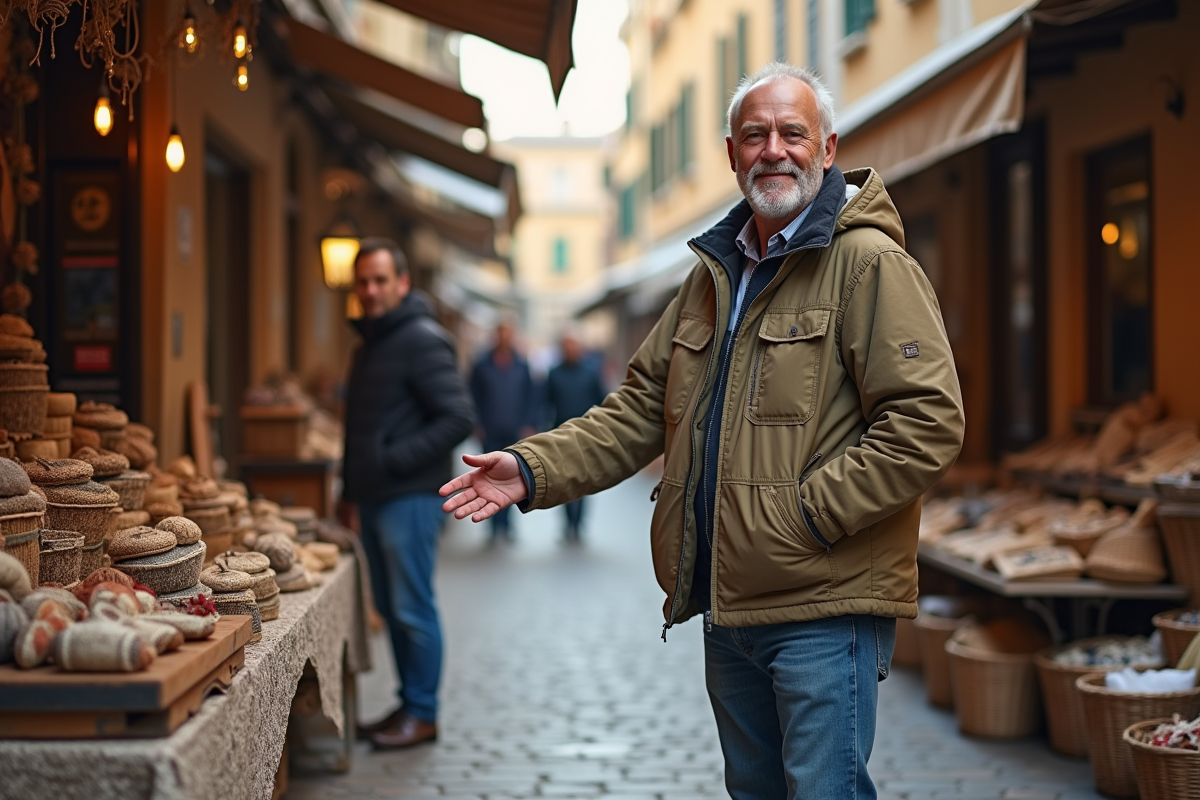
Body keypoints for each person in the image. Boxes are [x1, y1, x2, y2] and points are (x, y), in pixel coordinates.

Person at [441, 62, 965, 799]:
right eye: (755, 135)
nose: (773, 150)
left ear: (828, 146)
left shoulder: (870, 264)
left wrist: (806, 516)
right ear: (730, 152)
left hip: (824, 607)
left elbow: (926, 422)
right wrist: (531, 469)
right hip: (728, 605)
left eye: (793, 133)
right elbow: (639, 409)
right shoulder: (712, 276)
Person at [341, 238, 474, 749]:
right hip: (375, 499)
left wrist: (390, 461)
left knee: (413, 608)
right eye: (363, 282)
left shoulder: (421, 339)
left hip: (410, 500)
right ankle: (408, 704)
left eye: (380, 280)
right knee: (395, 610)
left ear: (402, 283)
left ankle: (424, 713)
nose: (370, 290)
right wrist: (353, 489)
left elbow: (458, 417)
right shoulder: (371, 343)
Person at [468, 321, 537, 542]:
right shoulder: (482, 365)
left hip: (514, 431)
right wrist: (476, 424)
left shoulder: (521, 365)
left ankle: (507, 525)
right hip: (489, 430)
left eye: (509, 333)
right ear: (496, 335)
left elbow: (531, 398)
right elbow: (472, 396)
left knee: (513, 477)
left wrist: (529, 423)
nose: (505, 337)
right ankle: (492, 525)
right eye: (501, 332)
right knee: (488, 478)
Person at [543, 330, 608, 542]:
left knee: (583, 481)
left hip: (586, 435)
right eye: (567, 345)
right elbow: (545, 401)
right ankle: (567, 524)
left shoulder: (591, 372)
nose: (571, 349)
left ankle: (578, 524)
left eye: (574, 345)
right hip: (560, 434)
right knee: (562, 481)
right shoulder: (554, 373)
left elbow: (602, 401)